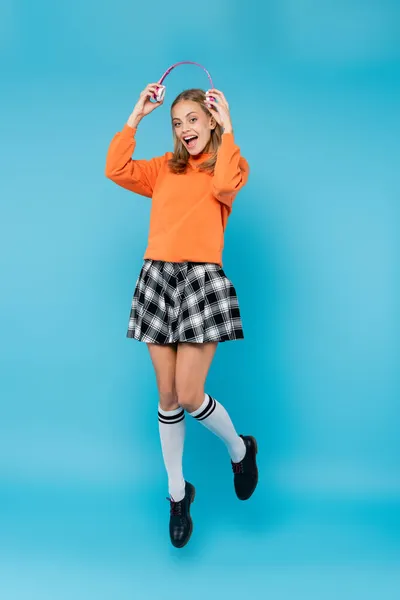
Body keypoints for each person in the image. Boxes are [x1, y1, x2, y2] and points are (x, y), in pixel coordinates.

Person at [105, 83, 258, 548]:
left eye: (193, 118)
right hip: (158, 279)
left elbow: (227, 185)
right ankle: (177, 494)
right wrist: (137, 115)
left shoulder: (227, 166)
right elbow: (115, 168)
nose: (184, 129)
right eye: (177, 122)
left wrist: (229, 125)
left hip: (201, 281)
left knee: (191, 394)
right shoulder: (162, 170)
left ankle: (240, 448)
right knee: (167, 395)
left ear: (210, 120)